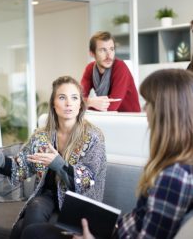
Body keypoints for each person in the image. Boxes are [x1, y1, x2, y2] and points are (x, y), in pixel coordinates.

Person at [0, 75, 107, 239]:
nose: (68, 103)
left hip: (78, 201)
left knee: (21, 229)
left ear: (80, 104)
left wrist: (57, 164)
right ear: (53, 103)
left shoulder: (93, 137)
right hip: (48, 196)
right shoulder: (41, 136)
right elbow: (19, 168)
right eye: (62, 97)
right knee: (35, 207)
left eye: (74, 98)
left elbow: (87, 181)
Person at [73, 69, 193, 239]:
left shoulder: (174, 177)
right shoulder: (175, 166)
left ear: (165, 112)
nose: (144, 109)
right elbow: (141, 220)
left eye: (149, 103)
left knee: (37, 231)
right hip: (117, 230)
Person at [81, 31, 141, 112]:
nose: (109, 55)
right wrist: (90, 102)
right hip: (108, 118)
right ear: (92, 53)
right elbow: (77, 99)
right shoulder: (90, 68)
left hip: (130, 119)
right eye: (103, 50)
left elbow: (112, 106)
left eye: (111, 49)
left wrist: (87, 103)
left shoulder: (120, 67)